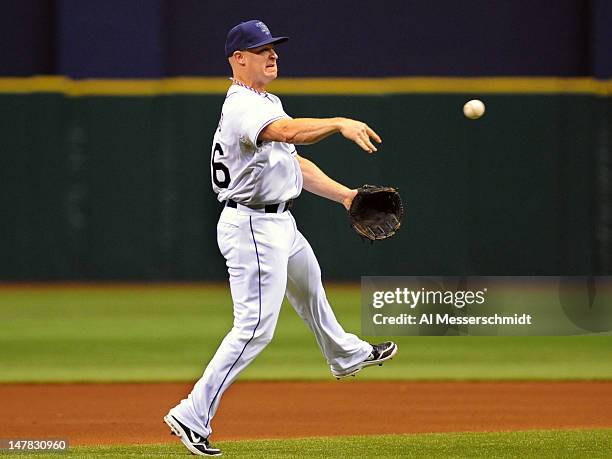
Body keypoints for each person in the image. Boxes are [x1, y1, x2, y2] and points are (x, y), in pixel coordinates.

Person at [164, 19, 397, 456]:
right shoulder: (242, 107)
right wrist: (339, 122)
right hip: (251, 226)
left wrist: (346, 197)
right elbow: (289, 132)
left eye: (274, 47)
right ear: (238, 59)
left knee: (310, 286)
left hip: (277, 223)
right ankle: (192, 414)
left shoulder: (264, 100)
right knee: (253, 328)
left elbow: (293, 163)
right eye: (260, 48)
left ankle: (344, 354)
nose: (272, 54)